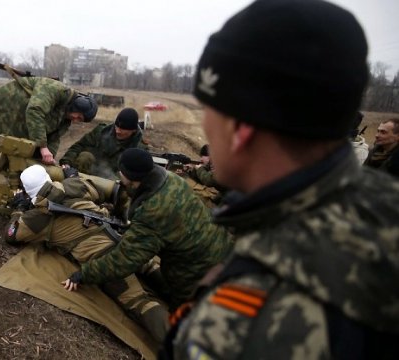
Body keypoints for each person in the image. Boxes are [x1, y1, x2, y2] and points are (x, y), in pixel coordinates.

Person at [163, 1, 399, 358]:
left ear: (240, 129)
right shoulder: (386, 202)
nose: (206, 125)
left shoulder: (235, 326)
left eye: (209, 108)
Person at [4, 164, 169, 342]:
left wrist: (19, 209)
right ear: (49, 179)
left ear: (28, 192)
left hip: (105, 259)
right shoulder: (75, 185)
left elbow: (11, 235)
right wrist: (73, 177)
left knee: (138, 301)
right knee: (151, 267)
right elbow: (109, 192)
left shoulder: (37, 218)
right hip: (125, 240)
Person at [62, 149, 232, 312]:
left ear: (130, 177)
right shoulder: (171, 179)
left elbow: (124, 260)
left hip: (196, 274)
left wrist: (84, 274)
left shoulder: (152, 211)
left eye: (121, 172)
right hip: (223, 249)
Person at [0, 76, 98, 165]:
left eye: (80, 120)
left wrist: (48, 158)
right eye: (79, 116)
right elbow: (35, 110)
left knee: (26, 156)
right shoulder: (54, 89)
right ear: (77, 105)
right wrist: (42, 146)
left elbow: (54, 137)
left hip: (20, 119)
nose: (76, 120)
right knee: (8, 154)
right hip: (3, 108)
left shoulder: (65, 117)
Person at [60, 107, 149, 179]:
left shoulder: (139, 148)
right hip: (88, 175)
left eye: (122, 129)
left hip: (112, 184)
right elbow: (79, 146)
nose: (118, 131)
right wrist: (66, 163)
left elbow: (138, 176)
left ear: (133, 131)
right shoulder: (101, 131)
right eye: (117, 127)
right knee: (85, 157)